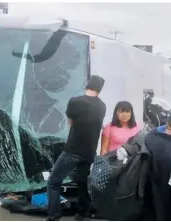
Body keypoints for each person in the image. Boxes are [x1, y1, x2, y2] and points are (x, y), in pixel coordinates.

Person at [46, 75, 106, 221]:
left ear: (87, 85)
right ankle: (81, 214)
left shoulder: (74, 102)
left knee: (53, 182)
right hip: (89, 152)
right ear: (100, 89)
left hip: (72, 150)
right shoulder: (102, 106)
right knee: (82, 183)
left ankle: (54, 215)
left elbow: (70, 123)